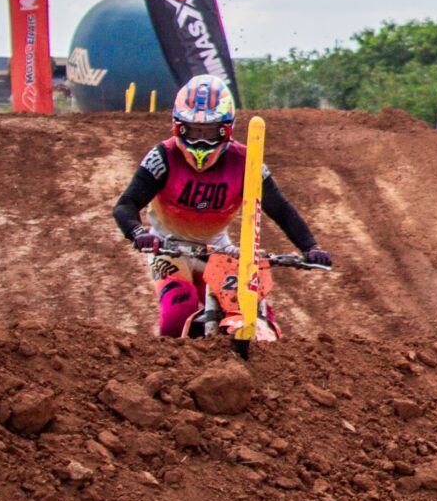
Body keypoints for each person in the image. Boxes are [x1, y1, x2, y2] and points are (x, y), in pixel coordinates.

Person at [111, 77, 330, 337]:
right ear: (178, 127)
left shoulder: (246, 162)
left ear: (227, 129)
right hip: (168, 246)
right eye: (193, 131)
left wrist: (310, 247)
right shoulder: (162, 157)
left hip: (218, 247)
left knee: (249, 309)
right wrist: (138, 233)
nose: (201, 141)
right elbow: (126, 204)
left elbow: (279, 208)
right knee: (177, 312)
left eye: (210, 131)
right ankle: (172, 366)